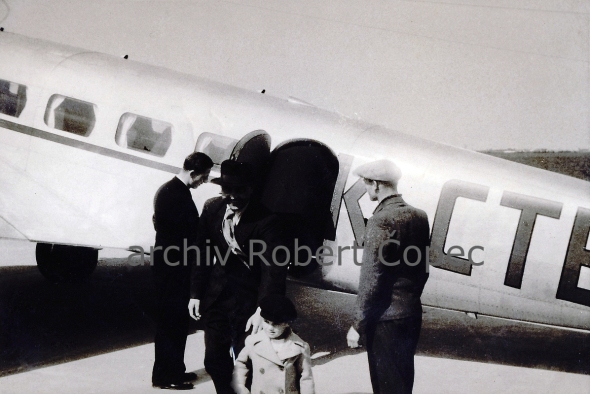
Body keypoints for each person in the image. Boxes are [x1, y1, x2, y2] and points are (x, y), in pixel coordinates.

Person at [188, 159, 289, 394]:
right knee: (213, 360)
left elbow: (273, 269)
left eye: (239, 190)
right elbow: (201, 253)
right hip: (216, 297)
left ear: (250, 190)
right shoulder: (212, 209)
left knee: (250, 362)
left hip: (249, 301)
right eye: (227, 189)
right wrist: (195, 294)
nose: (232, 196)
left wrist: (263, 311)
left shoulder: (267, 220)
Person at [346, 159, 430, 394]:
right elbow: (422, 270)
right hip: (410, 314)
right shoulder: (419, 216)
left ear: (376, 185)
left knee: (386, 387)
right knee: (402, 384)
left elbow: (372, 279)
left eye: (366, 183)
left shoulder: (380, 220)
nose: (365, 188)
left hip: (386, 320)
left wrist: (357, 325)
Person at [151, 151, 213, 390]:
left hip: (170, 267)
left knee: (175, 323)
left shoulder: (170, 190)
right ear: (193, 172)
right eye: (203, 177)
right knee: (171, 324)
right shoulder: (175, 194)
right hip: (172, 271)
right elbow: (185, 235)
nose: (204, 181)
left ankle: (173, 369)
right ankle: (166, 377)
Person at [232, 295, 315, 394]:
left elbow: (306, 378)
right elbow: (241, 364)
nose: (270, 328)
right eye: (266, 322)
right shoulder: (253, 342)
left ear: (286, 323)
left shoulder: (299, 347)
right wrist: (240, 386)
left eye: (276, 324)